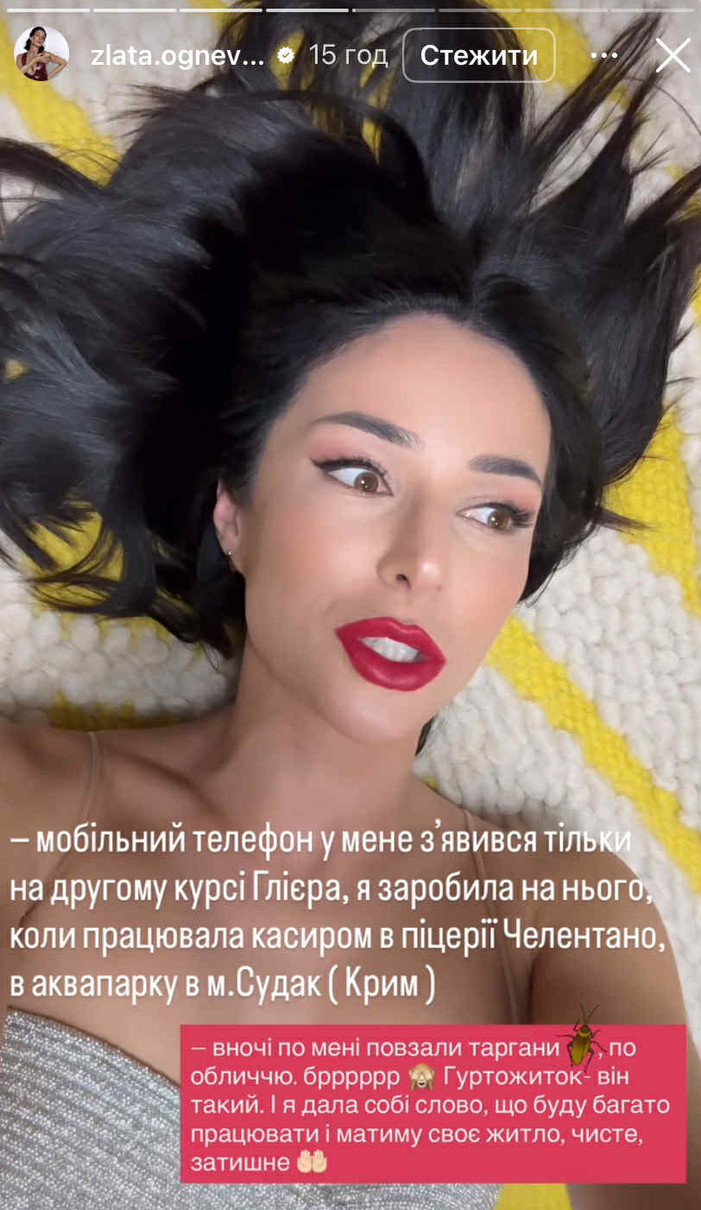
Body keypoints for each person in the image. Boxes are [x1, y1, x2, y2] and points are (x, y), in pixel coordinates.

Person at [0, 2, 699, 1207]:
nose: (422, 560)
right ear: (233, 508)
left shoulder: (549, 916)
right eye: (360, 473)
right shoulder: (32, 810)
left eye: (493, 512)